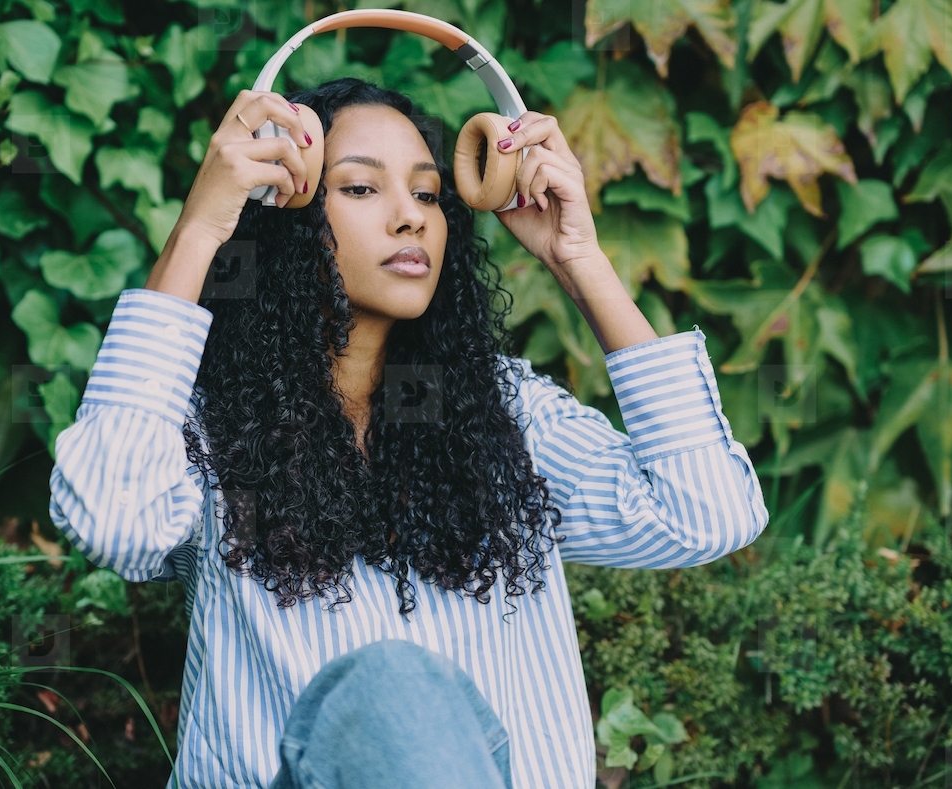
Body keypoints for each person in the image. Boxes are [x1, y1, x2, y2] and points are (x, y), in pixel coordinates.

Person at [48, 77, 770, 789]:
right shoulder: (205, 431)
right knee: (389, 682)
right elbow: (113, 519)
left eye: (427, 194)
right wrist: (200, 230)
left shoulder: (509, 417)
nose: (410, 218)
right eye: (362, 188)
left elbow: (706, 511)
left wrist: (577, 259)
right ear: (284, 208)